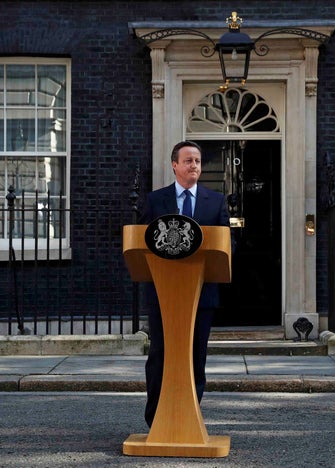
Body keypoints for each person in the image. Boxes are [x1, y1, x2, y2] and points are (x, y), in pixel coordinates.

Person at [140, 140, 231, 428]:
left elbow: (227, 244)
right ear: (174, 165)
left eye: (198, 161)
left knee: (196, 357)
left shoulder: (216, 201)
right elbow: (142, 243)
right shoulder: (155, 201)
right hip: (163, 294)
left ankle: (188, 417)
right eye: (189, 160)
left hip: (201, 295)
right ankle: (156, 418)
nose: (194, 165)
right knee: (160, 355)